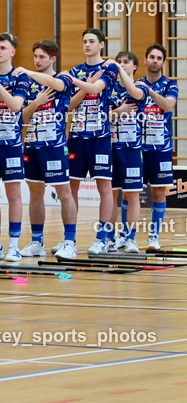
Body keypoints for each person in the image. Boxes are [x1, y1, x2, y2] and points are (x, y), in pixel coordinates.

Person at [14, 40, 77, 257]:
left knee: (64, 193)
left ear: (53, 59)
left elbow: (57, 85)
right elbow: (21, 116)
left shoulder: (64, 78)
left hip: (54, 146)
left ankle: (70, 242)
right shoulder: (30, 86)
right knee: (35, 194)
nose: (38, 60)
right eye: (35, 56)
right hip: (32, 144)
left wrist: (30, 73)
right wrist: (36, 102)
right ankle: (37, 242)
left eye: (42, 57)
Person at [67, 28, 118, 257]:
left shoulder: (109, 68)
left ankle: (102, 238)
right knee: (71, 188)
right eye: (84, 41)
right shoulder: (76, 70)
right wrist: (80, 84)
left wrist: (76, 82)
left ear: (102, 45)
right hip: (77, 137)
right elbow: (68, 105)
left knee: (104, 188)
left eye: (91, 41)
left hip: (99, 138)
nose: (87, 45)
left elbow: (96, 89)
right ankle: (70, 240)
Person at [0, 33, 28, 261]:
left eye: (2, 47)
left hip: (11, 144)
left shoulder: (20, 77)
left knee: (14, 194)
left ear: (12, 52)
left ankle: (14, 244)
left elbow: (15, 105)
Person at [137, 44, 179, 251]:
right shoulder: (135, 85)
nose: (155, 60)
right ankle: (128, 237)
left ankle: (154, 237)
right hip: (136, 147)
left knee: (159, 194)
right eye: (151, 57)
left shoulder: (170, 84)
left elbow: (168, 106)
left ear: (163, 62)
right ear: (145, 60)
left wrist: (150, 92)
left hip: (161, 148)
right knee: (131, 192)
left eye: (158, 58)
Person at [106, 52, 146, 254]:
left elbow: (137, 95)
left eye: (126, 63)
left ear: (135, 66)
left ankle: (130, 238)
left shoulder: (139, 88)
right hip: (111, 147)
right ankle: (110, 237)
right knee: (110, 194)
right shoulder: (109, 90)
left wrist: (119, 70)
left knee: (132, 195)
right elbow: (103, 117)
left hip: (131, 149)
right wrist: (118, 112)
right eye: (119, 62)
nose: (122, 65)